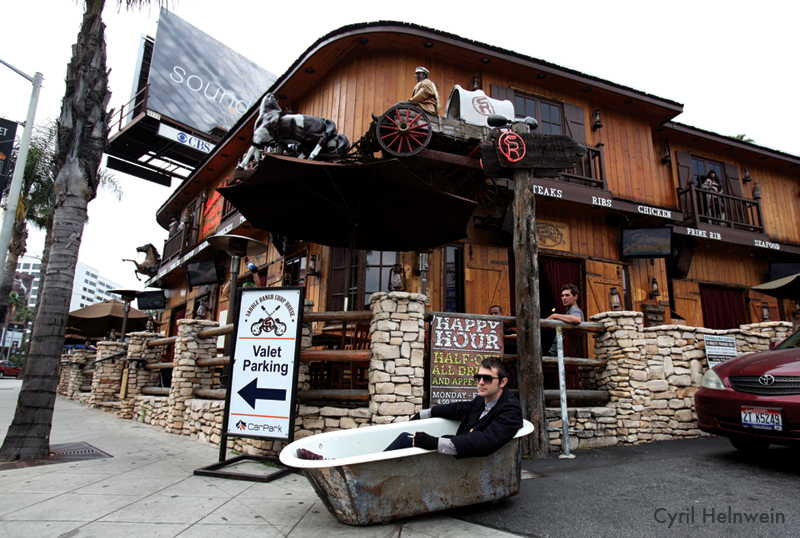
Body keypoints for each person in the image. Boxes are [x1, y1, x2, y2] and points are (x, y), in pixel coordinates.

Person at [383, 356, 522, 459]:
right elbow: (458, 409)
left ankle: (367, 482)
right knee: (404, 437)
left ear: (503, 382)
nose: (480, 382)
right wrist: (423, 414)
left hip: (470, 462)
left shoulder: (510, 410)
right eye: (478, 377)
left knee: (404, 440)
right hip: (461, 456)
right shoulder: (481, 401)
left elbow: (485, 441)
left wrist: (434, 442)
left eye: (487, 379)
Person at [546, 283, 584, 356]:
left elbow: (577, 319)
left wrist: (555, 316)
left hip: (558, 355)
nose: (564, 298)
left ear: (575, 297)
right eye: (562, 296)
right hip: (559, 354)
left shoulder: (574, 309)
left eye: (567, 295)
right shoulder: (569, 312)